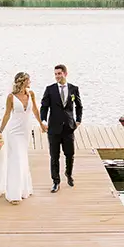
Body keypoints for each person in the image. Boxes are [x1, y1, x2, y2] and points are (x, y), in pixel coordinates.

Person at [0, 71, 45, 204]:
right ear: (23, 81)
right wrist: (0, 131)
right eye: (28, 80)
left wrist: (41, 124)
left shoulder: (31, 94)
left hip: (25, 131)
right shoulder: (11, 97)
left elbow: (35, 110)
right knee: (15, 158)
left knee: (22, 158)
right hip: (13, 131)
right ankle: (13, 194)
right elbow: (7, 114)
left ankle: (23, 189)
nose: (30, 82)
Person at [40, 64, 82, 193]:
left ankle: (68, 174)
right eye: (56, 74)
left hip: (68, 127)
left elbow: (79, 106)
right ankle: (55, 181)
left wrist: (78, 120)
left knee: (70, 154)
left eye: (59, 73)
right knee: (54, 156)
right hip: (54, 128)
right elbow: (44, 107)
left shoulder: (74, 89)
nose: (57, 76)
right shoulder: (50, 89)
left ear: (65, 74)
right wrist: (43, 121)